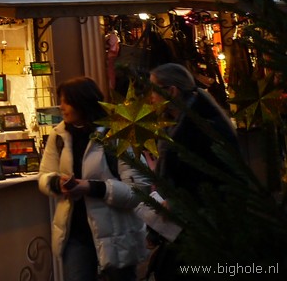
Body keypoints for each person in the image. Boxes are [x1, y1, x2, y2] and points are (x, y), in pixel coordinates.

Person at [37, 76, 147, 281]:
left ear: (83, 102)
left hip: (116, 233)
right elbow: (44, 175)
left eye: (66, 102)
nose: (61, 107)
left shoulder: (117, 133)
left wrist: (93, 188)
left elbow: (138, 189)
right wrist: (57, 183)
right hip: (75, 232)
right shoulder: (59, 135)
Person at [141, 63, 238, 280]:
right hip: (187, 228)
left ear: (172, 91)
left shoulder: (201, 129)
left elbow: (209, 181)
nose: (151, 97)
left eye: (154, 89)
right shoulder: (176, 126)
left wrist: (175, 204)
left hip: (204, 231)